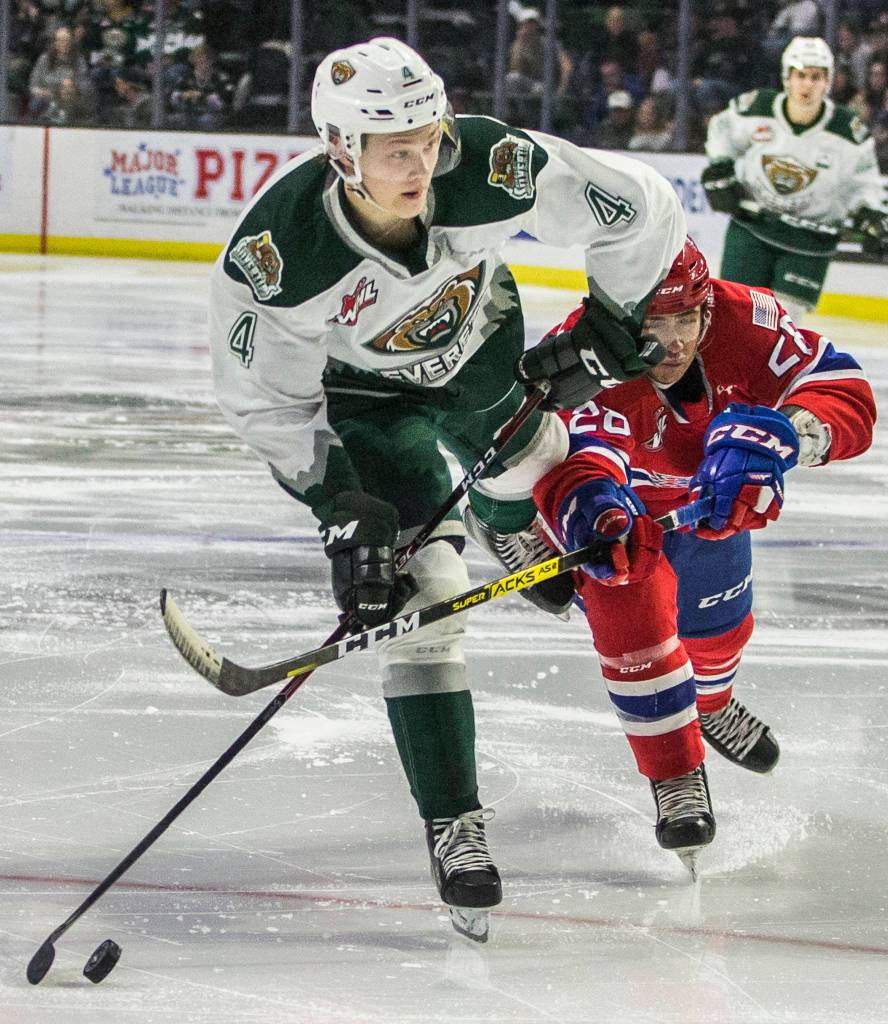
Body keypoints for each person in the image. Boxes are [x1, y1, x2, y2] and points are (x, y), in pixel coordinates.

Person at [208, 36, 685, 937]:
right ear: (338, 149)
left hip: (481, 351)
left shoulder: (486, 161)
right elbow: (265, 401)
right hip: (366, 402)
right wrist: (340, 504)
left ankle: (508, 519)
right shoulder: (279, 255)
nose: (422, 161)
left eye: (427, 136)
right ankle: (455, 825)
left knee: (536, 468)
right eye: (395, 147)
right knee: (427, 592)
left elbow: (641, 205)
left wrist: (614, 322)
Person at [529, 238, 875, 871]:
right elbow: (578, 454)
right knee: (631, 617)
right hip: (624, 508)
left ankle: (712, 704)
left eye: (686, 318)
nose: (675, 340)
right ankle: (675, 774)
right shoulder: (577, 351)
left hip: (703, 502)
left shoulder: (746, 318)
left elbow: (840, 384)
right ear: (615, 311)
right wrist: (596, 504)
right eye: (653, 323)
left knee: (717, 634)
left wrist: (787, 434)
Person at [702, 36, 888, 325]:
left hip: (809, 242)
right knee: (734, 316)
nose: (807, 84)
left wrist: (870, 215)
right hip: (753, 228)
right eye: (800, 75)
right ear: (787, 78)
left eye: (816, 76)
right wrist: (720, 170)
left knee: (783, 325)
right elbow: (721, 130)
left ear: (827, 82)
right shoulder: (756, 107)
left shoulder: (848, 133)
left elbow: (865, 183)